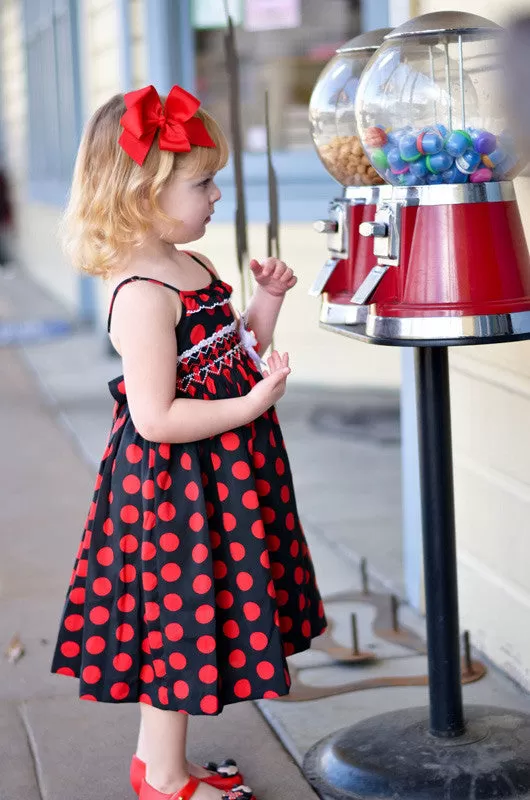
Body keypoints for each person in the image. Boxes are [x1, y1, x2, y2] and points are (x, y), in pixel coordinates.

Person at [51, 84, 327, 800]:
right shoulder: (142, 293)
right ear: (144, 194)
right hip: (176, 493)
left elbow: (231, 355)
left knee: (197, 618)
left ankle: (161, 766)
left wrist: (266, 303)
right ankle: (165, 780)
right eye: (203, 182)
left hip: (221, 481)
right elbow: (156, 418)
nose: (216, 197)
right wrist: (253, 404)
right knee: (177, 628)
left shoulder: (195, 269)